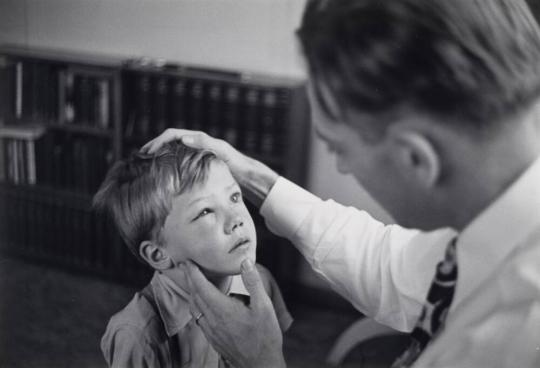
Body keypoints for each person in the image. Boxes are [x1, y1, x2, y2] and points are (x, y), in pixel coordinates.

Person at [142, 0, 540, 367]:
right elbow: (395, 266)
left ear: (415, 158)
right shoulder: (494, 218)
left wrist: (259, 362)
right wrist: (251, 177)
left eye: (338, 148)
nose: (343, 168)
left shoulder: (510, 344)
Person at [93, 142, 292, 368]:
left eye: (234, 197)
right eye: (206, 211)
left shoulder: (261, 283)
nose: (236, 219)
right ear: (158, 254)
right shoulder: (138, 335)